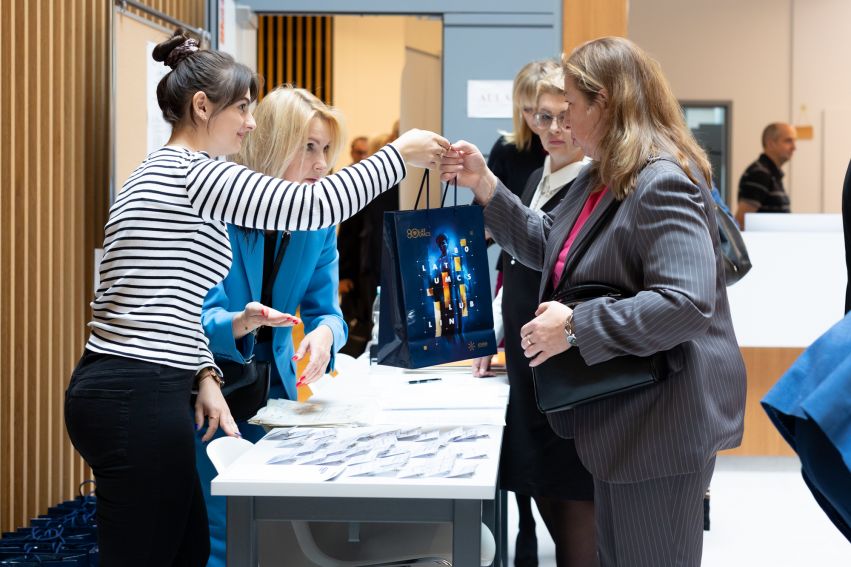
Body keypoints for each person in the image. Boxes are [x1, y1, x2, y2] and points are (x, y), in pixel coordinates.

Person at [63, 29, 448, 567]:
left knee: (187, 548)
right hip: (137, 391)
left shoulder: (160, 171)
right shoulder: (197, 173)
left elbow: (161, 303)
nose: (251, 121)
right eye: (242, 108)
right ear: (202, 107)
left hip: (141, 385)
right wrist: (398, 156)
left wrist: (202, 372)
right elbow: (314, 207)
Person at [442, 36, 746, 566]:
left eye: (571, 109)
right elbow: (547, 244)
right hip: (621, 415)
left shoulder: (660, 180)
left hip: (660, 421)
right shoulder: (602, 176)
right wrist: (487, 186)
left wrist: (578, 325)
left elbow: (686, 303)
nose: (561, 125)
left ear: (605, 103)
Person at [194, 86, 352, 566]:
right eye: (309, 147)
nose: (323, 164)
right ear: (274, 144)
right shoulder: (217, 212)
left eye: (326, 149)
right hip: (210, 390)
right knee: (222, 530)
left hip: (277, 398)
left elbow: (328, 312)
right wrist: (240, 322)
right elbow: (191, 318)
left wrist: (325, 336)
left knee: (274, 528)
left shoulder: (319, 222)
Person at [472, 67, 596, 567]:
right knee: (542, 486)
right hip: (527, 359)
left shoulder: (594, 186)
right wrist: (494, 335)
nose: (553, 129)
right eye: (543, 117)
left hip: (568, 366)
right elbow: (515, 269)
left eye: (565, 117)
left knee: (574, 502)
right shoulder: (531, 178)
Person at [485, 57, 558, 567]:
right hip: (515, 278)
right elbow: (506, 226)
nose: (545, 125)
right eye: (534, 113)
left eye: (555, 113)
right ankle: (526, 521)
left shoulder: (575, 160)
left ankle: (538, 519)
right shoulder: (513, 154)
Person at [734, 122, 797, 228]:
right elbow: (742, 222)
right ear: (771, 143)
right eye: (788, 141)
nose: (794, 147)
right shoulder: (759, 174)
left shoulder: (770, 173)